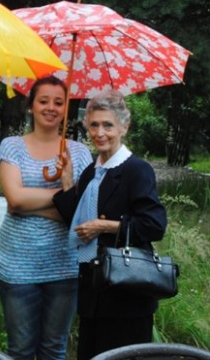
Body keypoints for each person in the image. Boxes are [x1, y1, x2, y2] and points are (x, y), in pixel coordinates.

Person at [53, 89, 167, 360]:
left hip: (126, 295)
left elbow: (154, 225)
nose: (99, 132)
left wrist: (105, 227)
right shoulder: (92, 171)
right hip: (93, 290)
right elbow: (78, 223)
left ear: (124, 127)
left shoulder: (136, 170)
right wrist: (68, 180)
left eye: (108, 125)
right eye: (94, 125)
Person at [0, 76, 92, 360]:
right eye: (44, 101)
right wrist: (64, 195)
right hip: (17, 268)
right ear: (31, 106)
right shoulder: (12, 146)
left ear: (66, 108)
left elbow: (81, 214)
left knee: (53, 350)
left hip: (65, 268)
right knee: (20, 351)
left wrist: (66, 183)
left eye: (59, 102)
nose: (51, 107)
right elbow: (14, 199)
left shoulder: (80, 153)